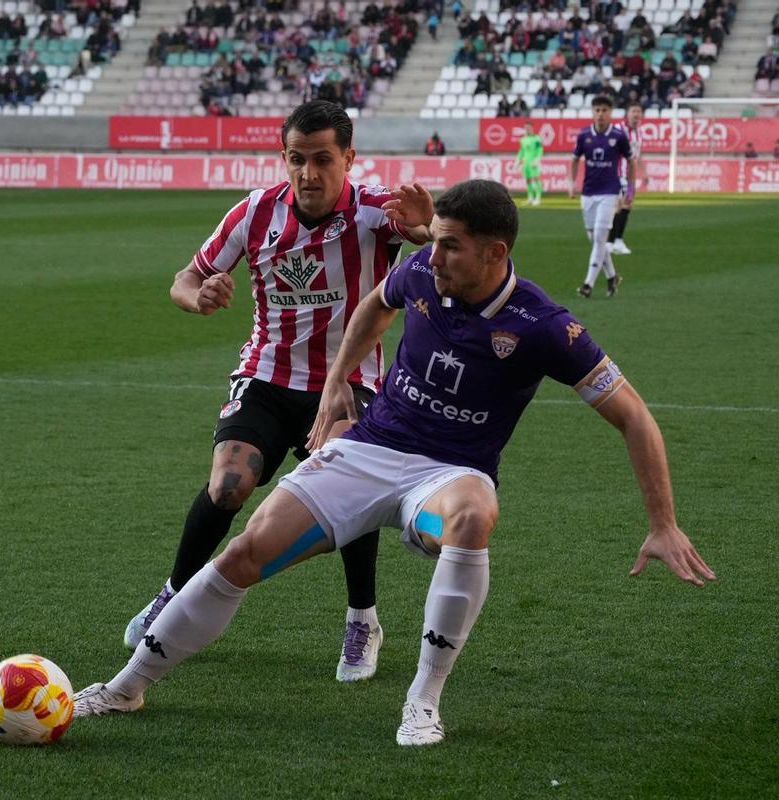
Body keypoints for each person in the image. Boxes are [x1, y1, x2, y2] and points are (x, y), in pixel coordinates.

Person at [73, 179, 715, 747]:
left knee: (470, 517)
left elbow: (634, 415)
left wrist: (663, 523)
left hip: (442, 483)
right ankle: (126, 686)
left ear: (496, 253)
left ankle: (423, 701)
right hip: (367, 452)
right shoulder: (420, 274)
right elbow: (374, 306)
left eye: (451, 245)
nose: (432, 256)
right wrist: (337, 383)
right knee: (246, 552)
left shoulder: (543, 325)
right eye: (433, 240)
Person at [119, 101, 428, 685]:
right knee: (228, 485)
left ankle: (363, 619)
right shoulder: (255, 213)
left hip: (348, 383)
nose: (308, 173)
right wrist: (198, 296)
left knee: (347, 489)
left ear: (348, 159)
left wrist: (424, 228)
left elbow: (435, 242)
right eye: (296, 159)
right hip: (266, 376)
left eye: (322, 160)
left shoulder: (374, 212)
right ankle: (174, 595)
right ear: (282, 158)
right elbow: (184, 279)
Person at [569, 95, 633, 299]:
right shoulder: (584, 135)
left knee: (599, 238)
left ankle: (588, 284)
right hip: (588, 193)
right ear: (592, 112)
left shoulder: (619, 136)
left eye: (604, 110)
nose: (600, 114)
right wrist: (571, 184)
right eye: (597, 110)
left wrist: (630, 190)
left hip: (610, 193)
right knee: (595, 239)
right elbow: (574, 160)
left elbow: (631, 162)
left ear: (610, 112)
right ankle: (612, 276)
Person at [609, 101, 644, 255]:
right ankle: (611, 242)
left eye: (638, 111)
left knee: (627, 205)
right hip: (616, 174)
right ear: (627, 114)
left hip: (628, 175)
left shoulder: (639, 133)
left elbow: (635, 158)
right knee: (619, 206)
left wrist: (635, 180)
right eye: (633, 111)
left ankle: (617, 240)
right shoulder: (618, 130)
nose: (636, 114)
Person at [514, 121, 544, 207]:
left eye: (528, 127)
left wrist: (538, 159)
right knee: (528, 179)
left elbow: (540, 149)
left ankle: (538, 198)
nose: (527, 129)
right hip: (526, 162)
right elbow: (521, 151)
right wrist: (518, 161)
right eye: (525, 128)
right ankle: (530, 198)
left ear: (532, 128)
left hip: (533, 161)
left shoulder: (537, 138)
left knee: (536, 178)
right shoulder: (523, 139)